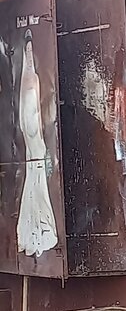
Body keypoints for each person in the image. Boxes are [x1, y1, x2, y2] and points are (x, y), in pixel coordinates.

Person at [16, 31, 58, 257]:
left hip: (34, 143)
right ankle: (38, 230)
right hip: (34, 141)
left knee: (35, 186)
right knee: (35, 185)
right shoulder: (31, 82)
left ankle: (37, 231)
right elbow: (34, 118)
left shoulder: (29, 80)